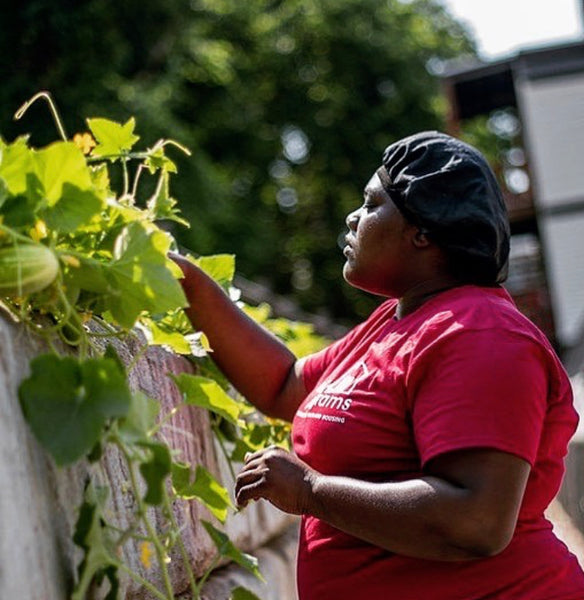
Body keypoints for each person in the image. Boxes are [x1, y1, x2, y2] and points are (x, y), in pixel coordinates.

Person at [172, 131, 584, 599]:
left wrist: (310, 490)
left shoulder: (479, 333)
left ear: (422, 232)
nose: (352, 218)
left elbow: (476, 522)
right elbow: (284, 385)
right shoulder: (395, 322)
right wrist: (187, 284)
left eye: (371, 204)